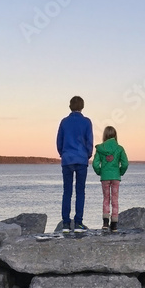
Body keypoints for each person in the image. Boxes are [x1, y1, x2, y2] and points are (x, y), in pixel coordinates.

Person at [56, 96, 93, 233]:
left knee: (67, 191)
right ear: (82, 106)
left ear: (70, 106)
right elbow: (89, 141)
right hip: (81, 159)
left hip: (67, 159)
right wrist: (87, 155)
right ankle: (78, 222)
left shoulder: (64, 122)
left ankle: (66, 223)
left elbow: (59, 141)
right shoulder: (86, 122)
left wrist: (63, 154)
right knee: (80, 191)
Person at [92, 125, 128, 232]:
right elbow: (125, 164)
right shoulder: (119, 148)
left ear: (104, 135)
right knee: (115, 200)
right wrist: (120, 172)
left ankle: (105, 223)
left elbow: (95, 164)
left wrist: (100, 172)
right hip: (116, 177)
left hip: (105, 177)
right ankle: (114, 224)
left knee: (106, 199)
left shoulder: (100, 149)